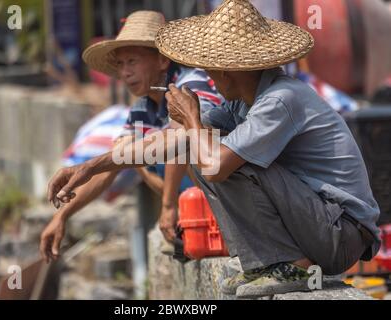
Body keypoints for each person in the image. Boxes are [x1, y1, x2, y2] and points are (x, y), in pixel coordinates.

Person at [46, 0, 381, 298]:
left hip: (341, 233)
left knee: (217, 155)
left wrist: (192, 119)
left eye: (210, 68)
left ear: (227, 70)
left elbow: (217, 165)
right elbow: (169, 142)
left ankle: (291, 265)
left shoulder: (280, 99)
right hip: (319, 225)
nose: (206, 75)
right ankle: (267, 262)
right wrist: (91, 166)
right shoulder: (241, 103)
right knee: (198, 146)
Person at [39, 11, 223, 263]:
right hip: (195, 196)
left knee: (161, 149)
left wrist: (168, 205)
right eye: (120, 64)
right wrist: (61, 216)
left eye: (132, 61)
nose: (125, 73)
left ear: (161, 60)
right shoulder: (142, 107)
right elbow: (111, 167)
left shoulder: (191, 83)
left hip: (227, 186)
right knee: (131, 155)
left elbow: (181, 140)